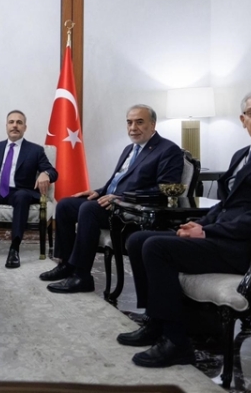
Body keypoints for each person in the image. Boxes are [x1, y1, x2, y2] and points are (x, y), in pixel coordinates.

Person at [118, 88, 251, 368]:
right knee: (138, 239)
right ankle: (157, 322)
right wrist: (200, 223)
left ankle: (175, 342)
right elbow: (226, 204)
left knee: (156, 247)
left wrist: (208, 232)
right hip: (230, 239)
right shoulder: (243, 154)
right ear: (243, 120)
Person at [44, 104, 182, 293]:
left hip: (131, 210)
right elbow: (119, 181)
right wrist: (99, 192)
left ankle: (82, 276)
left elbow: (164, 190)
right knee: (65, 205)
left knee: (89, 209)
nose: (133, 128)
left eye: (139, 122)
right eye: (129, 122)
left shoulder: (168, 150)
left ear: (152, 124)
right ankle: (66, 265)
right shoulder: (129, 148)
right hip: (113, 203)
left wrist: (120, 198)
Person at [0, 110, 58, 269]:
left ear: (25, 127)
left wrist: (45, 174)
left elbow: (52, 171)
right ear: (6, 126)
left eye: (19, 122)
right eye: (11, 122)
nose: (15, 125)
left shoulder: (35, 150)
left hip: (21, 192)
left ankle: (14, 248)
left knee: (21, 196)